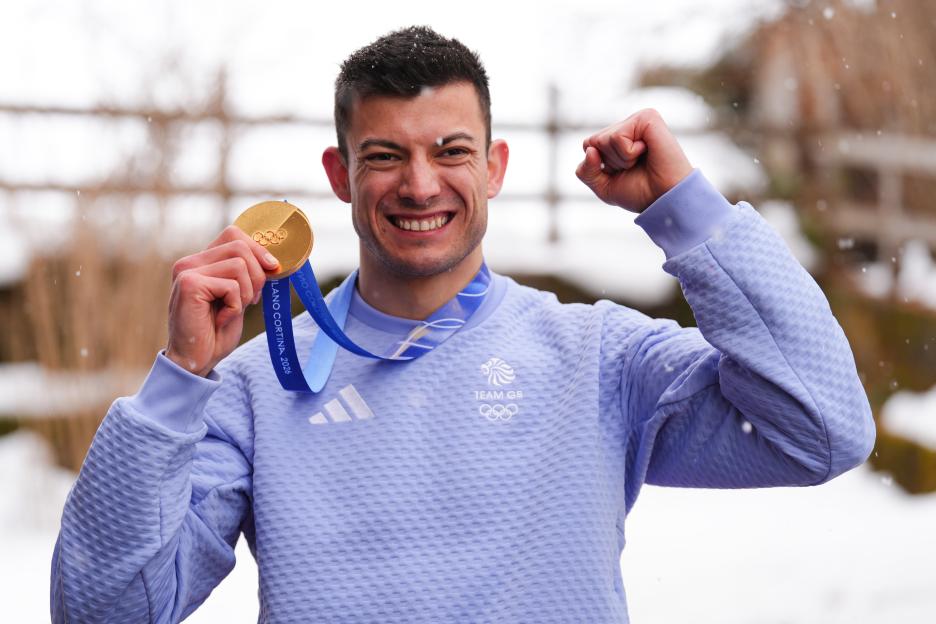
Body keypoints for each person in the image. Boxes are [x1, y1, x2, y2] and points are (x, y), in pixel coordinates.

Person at [52, 26, 875, 624]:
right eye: (384, 155)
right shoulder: (257, 384)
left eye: (450, 151)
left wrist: (687, 215)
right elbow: (104, 613)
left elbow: (822, 431)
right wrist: (176, 383)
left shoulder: (597, 356)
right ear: (340, 174)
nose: (419, 185)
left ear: (494, 166)